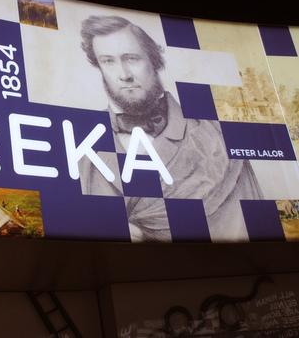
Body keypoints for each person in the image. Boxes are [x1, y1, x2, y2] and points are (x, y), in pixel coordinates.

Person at [78, 15, 262, 242]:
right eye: (108, 61)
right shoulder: (87, 149)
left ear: (153, 60)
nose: (124, 74)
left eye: (132, 58)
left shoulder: (215, 132)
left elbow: (251, 221)